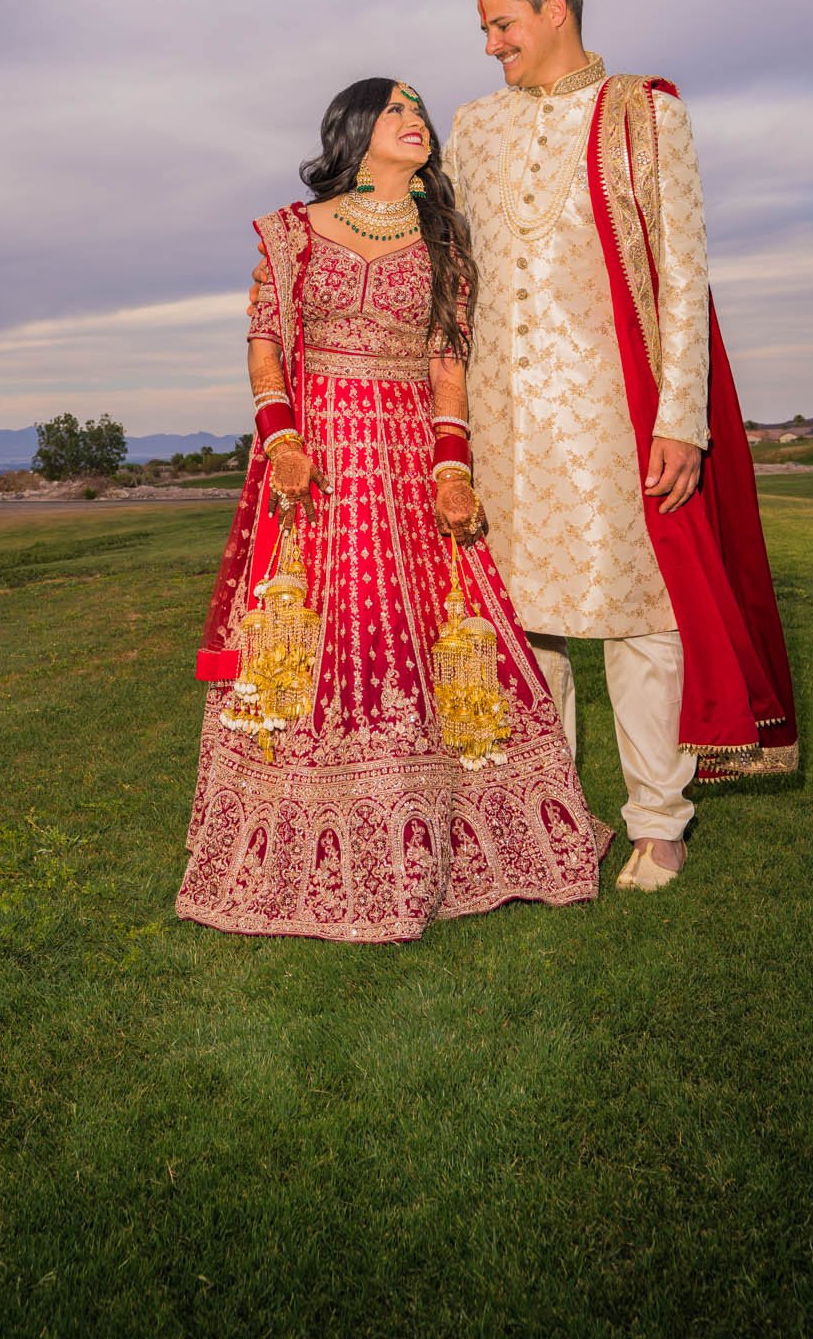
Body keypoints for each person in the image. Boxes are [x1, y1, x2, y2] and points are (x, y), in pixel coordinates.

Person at [177, 78, 610, 942]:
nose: (413, 124)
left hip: (409, 458)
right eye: (394, 113)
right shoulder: (291, 234)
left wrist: (453, 468)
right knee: (314, 633)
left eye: (418, 114)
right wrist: (282, 441)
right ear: (354, 132)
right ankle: (299, 847)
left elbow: (446, 362)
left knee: (433, 635)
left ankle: (464, 842)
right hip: (318, 462)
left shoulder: (443, 238)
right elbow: (264, 345)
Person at [442, 0, 798, 891]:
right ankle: (551, 820)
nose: (489, 46)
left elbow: (682, 271)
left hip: (611, 409)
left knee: (642, 617)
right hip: (497, 415)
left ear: (554, 9)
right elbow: (452, 270)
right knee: (520, 627)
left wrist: (680, 416)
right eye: (483, 29)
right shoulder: (471, 129)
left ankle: (658, 821)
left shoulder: (644, 111)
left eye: (501, 25)